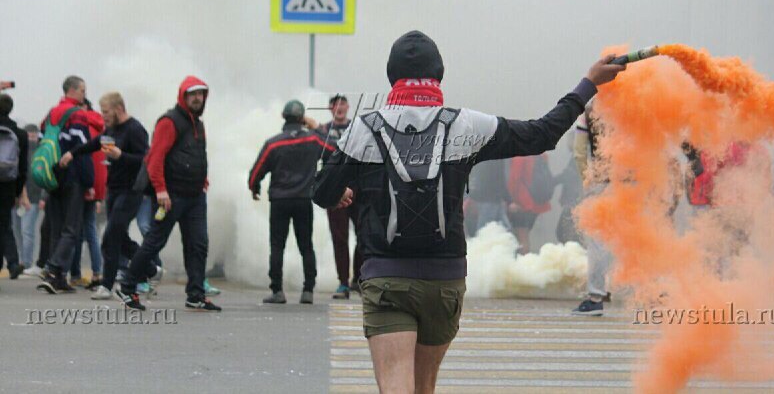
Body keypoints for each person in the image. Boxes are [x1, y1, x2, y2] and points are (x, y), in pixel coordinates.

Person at [312, 31, 623, 393]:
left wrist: (343, 193)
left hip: (386, 278)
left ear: (391, 76)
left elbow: (322, 191)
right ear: (439, 74)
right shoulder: (466, 125)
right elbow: (542, 134)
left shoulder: (364, 129)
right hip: (444, 279)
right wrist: (588, 84)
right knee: (424, 386)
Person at [117, 76, 220, 312]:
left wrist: (202, 179)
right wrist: (161, 189)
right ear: (183, 96)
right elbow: (156, 158)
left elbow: (196, 155)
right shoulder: (169, 121)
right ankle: (127, 287)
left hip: (195, 196)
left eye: (201, 94)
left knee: (198, 244)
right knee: (154, 242)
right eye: (192, 94)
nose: (197, 98)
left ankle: (196, 294)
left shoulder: (198, 123)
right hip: (171, 197)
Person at [60, 92, 150, 300]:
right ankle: (151, 268)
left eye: (106, 112)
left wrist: (121, 156)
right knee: (119, 237)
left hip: (131, 190)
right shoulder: (111, 129)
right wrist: (73, 153)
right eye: (102, 112)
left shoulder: (135, 129)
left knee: (109, 238)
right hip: (114, 189)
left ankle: (107, 285)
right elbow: (96, 143)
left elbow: (145, 160)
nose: (103, 116)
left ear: (119, 109)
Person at [249, 99, 335, 305]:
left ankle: (277, 291)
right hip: (303, 199)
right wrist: (317, 128)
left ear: (283, 117)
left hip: (280, 201)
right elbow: (334, 148)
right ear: (302, 118)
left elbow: (256, 171)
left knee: (277, 245)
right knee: (306, 245)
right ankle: (308, 291)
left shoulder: (274, 143)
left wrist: (255, 187)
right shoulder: (314, 140)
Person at [37, 76, 94, 294]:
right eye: (82, 90)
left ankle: (58, 279)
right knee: (72, 229)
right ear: (72, 90)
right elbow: (83, 148)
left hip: (52, 177)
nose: (84, 95)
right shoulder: (77, 114)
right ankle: (53, 270)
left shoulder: (51, 113)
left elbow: (43, 141)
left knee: (56, 229)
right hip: (72, 177)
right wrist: (88, 182)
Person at [318, 94, 363, 299]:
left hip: (357, 190)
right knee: (339, 238)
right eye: (335, 104)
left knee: (364, 235)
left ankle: (359, 280)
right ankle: (343, 283)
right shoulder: (323, 131)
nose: (339, 107)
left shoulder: (358, 128)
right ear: (330, 108)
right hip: (335, 191)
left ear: (348, 106)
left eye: (342, 103)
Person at [571, 103, 614, 316]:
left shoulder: (589, 110)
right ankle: (652, 295)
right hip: (636, 180)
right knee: (639, 238)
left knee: (598, 240)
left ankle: (596, 297)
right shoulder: (636, 103)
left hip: (602, 181)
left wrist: (587, 179)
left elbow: (579, 152)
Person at [68, 99, 105, 288]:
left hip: (84, 181)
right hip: (98, 184)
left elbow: (82, 156)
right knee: (90, 229)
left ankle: (74, 273)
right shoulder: (101, 126)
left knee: (75, 229)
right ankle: (97, 272)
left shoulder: (81, 127)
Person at [0, 93, 28, 285]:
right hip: (8, 185)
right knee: (4, 225)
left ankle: (11, 263)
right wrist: (18, 192)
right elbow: (23, 167)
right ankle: (12, 263)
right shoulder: (20, 133)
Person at [506, 154, 555, 255]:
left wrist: (510, 201)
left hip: (522, 203)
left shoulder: (519, 156)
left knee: (522, 236)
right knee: (524, 234)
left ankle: (524, 264)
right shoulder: (542, 154)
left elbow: (514, 179)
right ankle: (525, 261)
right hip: (537, 204)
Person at [19, 125, 45, 275]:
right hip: (21, 197)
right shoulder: (23, 150)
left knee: (27, 231)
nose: (31, 137)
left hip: (32, 197)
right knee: (21, 232)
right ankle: (23, 260)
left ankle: (26, 262)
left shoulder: (38, 152)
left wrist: (42, 197)